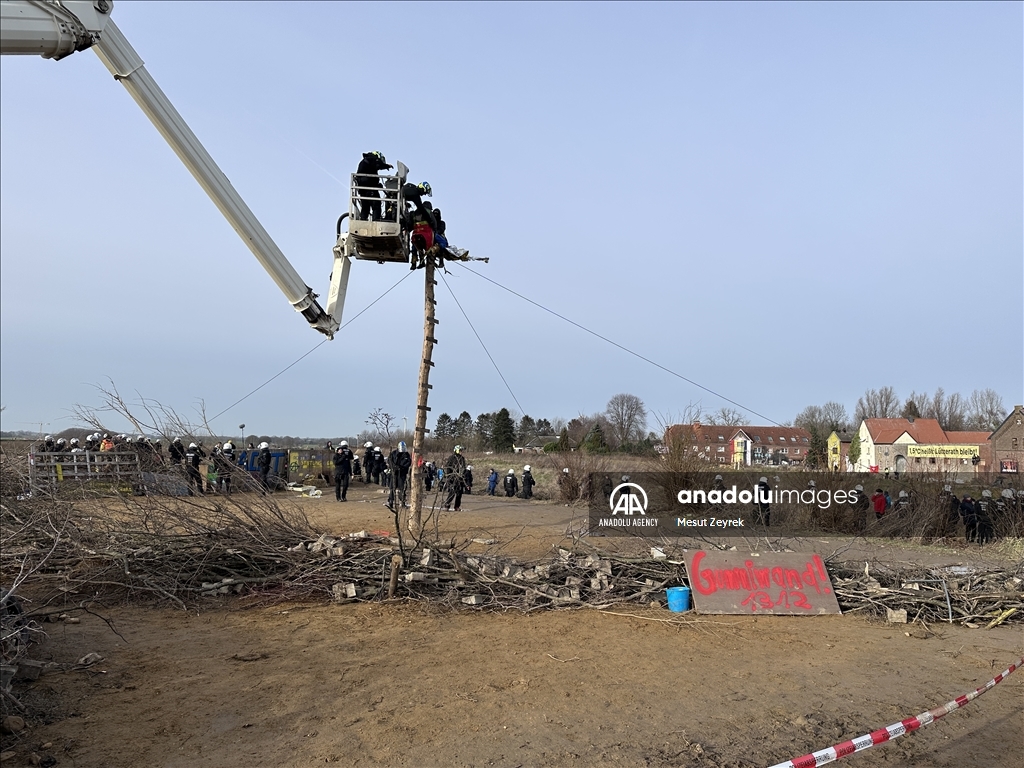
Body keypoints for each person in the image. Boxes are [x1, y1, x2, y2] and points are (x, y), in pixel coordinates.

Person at [354, 151, 392, 221]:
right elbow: (378, 165)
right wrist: (386, 166)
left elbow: (370, 173)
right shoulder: (372, 159)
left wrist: (377, 184)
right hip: (370, 188)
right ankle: (376, 220)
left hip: (362, 189)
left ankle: (363, 220)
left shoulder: (365, 161)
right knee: (376, 205)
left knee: (365, 206)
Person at [387, 441, 412, 509]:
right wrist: (393, 467)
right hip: (394, 474)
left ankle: (402, 502)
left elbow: (408, 463)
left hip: (402, 474)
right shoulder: (394, 453)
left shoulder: (406, 455)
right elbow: (389, 460)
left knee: (402, 489)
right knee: (392, 488)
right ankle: (390, 501)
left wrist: (402, 468)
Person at [443, 445, 467, 511]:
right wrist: (449, 477)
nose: (461, 452)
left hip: (460, 478)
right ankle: (447, 505)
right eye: (460, 450)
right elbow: (448, 468)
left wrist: (463, 476)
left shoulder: (462, 458)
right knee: (452, 492)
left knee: (459, 493)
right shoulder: (452, 458)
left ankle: (457, 506)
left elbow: (463, 468)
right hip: (453, 477)